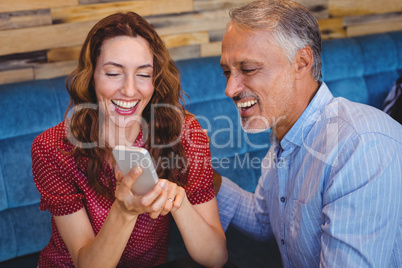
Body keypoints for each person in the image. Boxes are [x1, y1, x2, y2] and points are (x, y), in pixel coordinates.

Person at [31, 12, 227, 268]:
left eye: (144, 75)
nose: (130, 90)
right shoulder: (53, 148)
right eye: (113, 73)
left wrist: (178, 202)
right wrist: (124, 212)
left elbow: (216, 257)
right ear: (91, 76)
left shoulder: (186, 133)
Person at [217, 0, 402, 267]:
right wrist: (200, 176)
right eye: (226, 72)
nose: (230, 89)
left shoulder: (359, 146)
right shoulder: (283, 137)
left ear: (302, 63)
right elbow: (264, 221)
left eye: (248, 69)